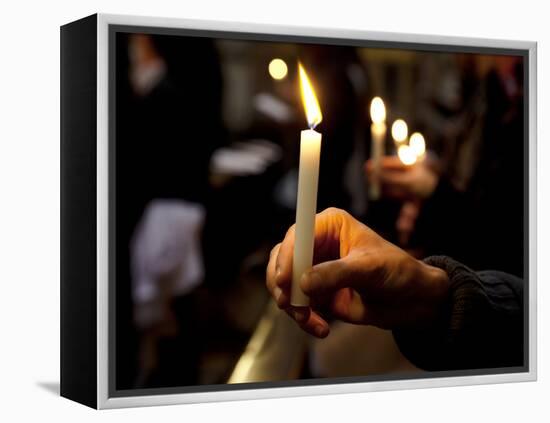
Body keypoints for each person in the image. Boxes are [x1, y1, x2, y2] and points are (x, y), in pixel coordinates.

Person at [266, 207, 523, 371]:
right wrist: (435, 297)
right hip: (453, 309)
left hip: (468, 326)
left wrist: (438, 198)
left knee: (326, 361)